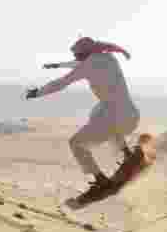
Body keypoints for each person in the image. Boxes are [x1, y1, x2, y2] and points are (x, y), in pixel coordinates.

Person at [25, 36, 144, 203]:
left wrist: (38, 93)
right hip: (130, 115)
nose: (76, 58)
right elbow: (80, 64)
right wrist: (58, 65)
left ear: (85, 53)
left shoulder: (88, 64)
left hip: (114, 117)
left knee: (75, 144)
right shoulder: (108, 58)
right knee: (97, 114)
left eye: (77, 55)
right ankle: (127, 155)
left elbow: (62, 82)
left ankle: (101, 181)